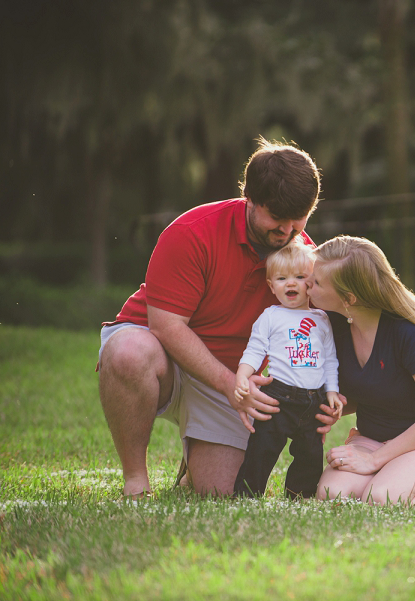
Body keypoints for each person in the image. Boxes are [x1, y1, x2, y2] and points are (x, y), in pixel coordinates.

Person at [97, 138, 340, 498]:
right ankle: (135, 480)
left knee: (222, 493)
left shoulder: (302, 257)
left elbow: (320, 333)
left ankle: (192, 464)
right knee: (128, 352)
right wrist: (229, 384)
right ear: (250, 199)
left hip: (230, 377)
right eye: (276, 218)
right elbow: (166, 326)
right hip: (163, 354)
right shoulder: (193, 232)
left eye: (298, 219)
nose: (288, 231)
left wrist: (327, 397)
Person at [307, 236, 415, 505]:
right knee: (332, 495)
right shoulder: (332, 324)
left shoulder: (406, 333)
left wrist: (374, 460)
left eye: (317, 282)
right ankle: (391, 474)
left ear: (348, 298)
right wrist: (337, 407)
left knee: (383, 497)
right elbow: (377, 387)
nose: (307, 284)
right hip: (376, 435)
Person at [233, 240, 343, 498]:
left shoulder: (321, 319)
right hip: (279, 397)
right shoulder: (271, 316)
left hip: (313, 399)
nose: (291, 283)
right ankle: (247, 495)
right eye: (282, 278)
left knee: (310, 453)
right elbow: (255, 349)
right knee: (262, 448)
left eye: (300, 277)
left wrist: (332, 391)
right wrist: (243, 374)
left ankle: (299, 497)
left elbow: (329, 360)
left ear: (312, 283)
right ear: (271, 286)